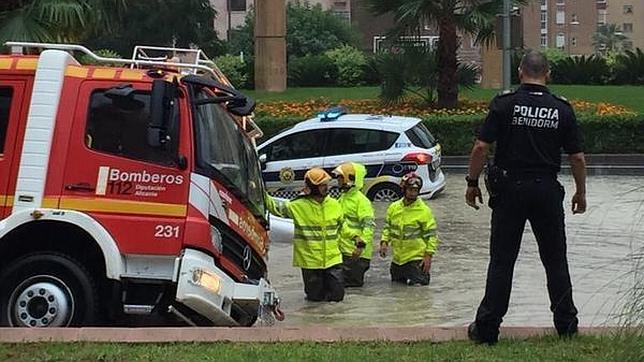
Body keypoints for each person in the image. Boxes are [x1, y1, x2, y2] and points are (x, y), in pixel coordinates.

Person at [465, 50, 587, 345]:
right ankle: (567, 326)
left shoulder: (504, 104)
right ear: (548, 74)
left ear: (520, 72)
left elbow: (481, 148)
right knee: (555, 260)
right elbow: (577, 158)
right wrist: (581, 192)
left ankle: (487, 329)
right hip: (546, 190)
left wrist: (471, 182)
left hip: (510, 191)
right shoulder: (562, 109)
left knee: (502, 261)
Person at [265, 167, 348, 302]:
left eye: (326, 184)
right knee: (315, 300)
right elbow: (274, 207)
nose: (326, 188)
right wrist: (258, 191)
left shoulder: (334, 204)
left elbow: (344, 227)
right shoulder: (298, 205)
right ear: (313, 187)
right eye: (322, 185)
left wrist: (356, 239)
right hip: (310, 263)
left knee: (337, 298)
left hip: (333, 260)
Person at [379, 172, 439, 286]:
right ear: (404, 189)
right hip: (397, 260)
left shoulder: (424, 211)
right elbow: (388, 227)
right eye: (410, 190)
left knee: (419, 293)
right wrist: (384, 242)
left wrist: (428, 256)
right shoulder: (394, 207)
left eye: (416, 191)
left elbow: (432, 236)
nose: (413, 193)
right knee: (396, 290)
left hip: (416, 260)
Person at [332, 162, 375, 287]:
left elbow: (369, 227)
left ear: (350, 178)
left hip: (356, 254)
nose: (338, 180)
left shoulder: (362, 202)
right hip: (345, 252)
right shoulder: (343, 198)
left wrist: (360, 247)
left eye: (340, 177)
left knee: (352, 290)